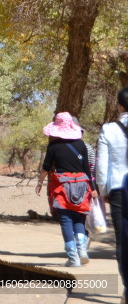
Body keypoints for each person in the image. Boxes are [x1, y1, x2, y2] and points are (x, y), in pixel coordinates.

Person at [36, 111, 96, 267]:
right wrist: (93, 188)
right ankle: (82, 251)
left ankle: (73, 258)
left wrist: (40, 182)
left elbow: (46, 167)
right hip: (82, 186)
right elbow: (87, 169)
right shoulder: (81, 145)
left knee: (66, 220)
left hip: (61, 187)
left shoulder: (53, 146)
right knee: (79, 218)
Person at [97, 88, 128, 288]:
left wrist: (103, 190)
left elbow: (102, 165)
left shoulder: (108, 129)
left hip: (118, 189)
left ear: (119, 106)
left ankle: (126, 287)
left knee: (122, 240)